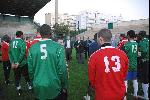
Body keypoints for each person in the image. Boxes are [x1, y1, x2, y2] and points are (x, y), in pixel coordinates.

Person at [27, 24, 68, 100]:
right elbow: (62, 69)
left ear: (40, 33)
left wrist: (33, 81)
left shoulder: (32, 48)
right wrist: (64, 85)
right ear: (51, 33)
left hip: (38, 84)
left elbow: (30, 70)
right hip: (54, 85)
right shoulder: (58, 47)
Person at [88, 29, 128, 100]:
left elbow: (92, 79)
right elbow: (124, 74)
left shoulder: (94, 56)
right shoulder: (123, 54)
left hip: (103, 95)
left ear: (100, 39)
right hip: (120, 93)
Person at [9, 31, 32, 95]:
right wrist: (18, 62)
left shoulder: (11, 42)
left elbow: (9, 53)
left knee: (17, 76)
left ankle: (19, 89)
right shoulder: (22, 42)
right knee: (26, 75)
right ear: (21, 35)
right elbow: (22, 53)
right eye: (23, 35)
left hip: (14, 64)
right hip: (22, 63)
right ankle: (30, 86)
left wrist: (12, 62)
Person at [122, 30, 138, 99]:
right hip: (135, 63)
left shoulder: (127, 44)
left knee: (125, 81)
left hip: (128, 64)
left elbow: (123, 53)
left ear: (128, 36)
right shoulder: (136, 43)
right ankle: (135, 94)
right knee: (135, 79)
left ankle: (124, 97)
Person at [138, 31, 149, 99]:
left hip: (145, 61)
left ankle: (145, 95)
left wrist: (140, 56)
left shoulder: (142, 42)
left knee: (144, 77)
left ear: (141, 36)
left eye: (139, 35)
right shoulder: (148, 40)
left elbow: (143, 51)